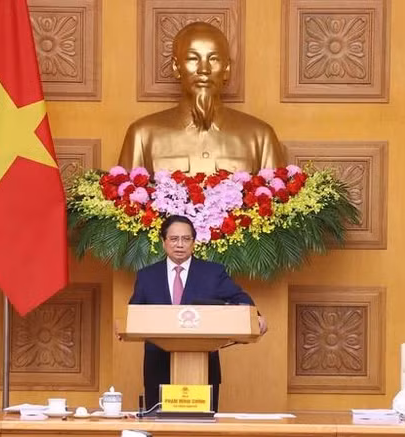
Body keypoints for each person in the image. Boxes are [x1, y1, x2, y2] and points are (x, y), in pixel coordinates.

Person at [129, 215, 268, 411]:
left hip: (204, 366)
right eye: (174, 239)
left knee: (202, 429)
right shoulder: (147, 276)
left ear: (194, 242)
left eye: (186, 239)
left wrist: (256, 317)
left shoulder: (212, 273)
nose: (180, 245)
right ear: (163, 242)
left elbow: (239, 297)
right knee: (161, 430)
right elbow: (134, 314)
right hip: (158, 367)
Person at [118, 22, 285, 175]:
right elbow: (126, 202)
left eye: (213, 59)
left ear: (226, 68)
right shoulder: (142, 135)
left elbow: (278, 204)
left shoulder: (260, 136)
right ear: (176, 67)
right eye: (192, 58)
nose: (203, 69)